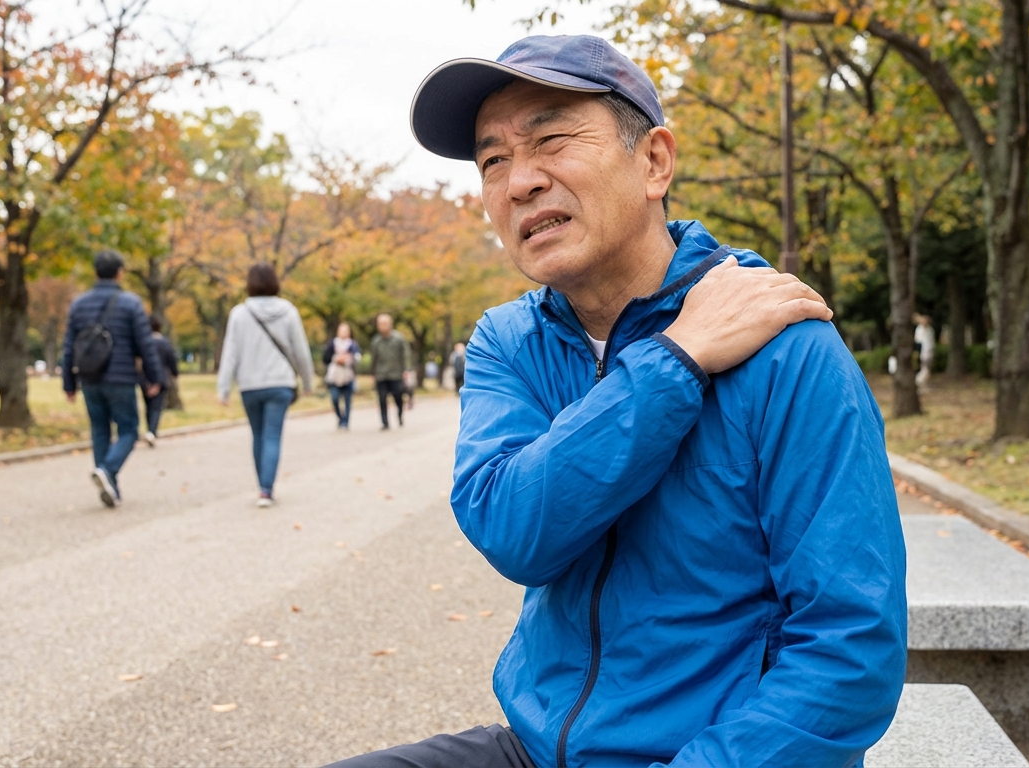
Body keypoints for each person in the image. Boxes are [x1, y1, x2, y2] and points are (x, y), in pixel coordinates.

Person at [327, 35, 906, 768]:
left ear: (654, 161)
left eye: (551, 141)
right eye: (492, 161)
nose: (519, 183)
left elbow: (850, 652)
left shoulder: (787, 348)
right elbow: (514, 533)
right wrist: (675, 361)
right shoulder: (509, 341)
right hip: (540, 751)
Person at [61, 250, 163, 508]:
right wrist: (154, 377)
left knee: (99, 429)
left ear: (95, 273)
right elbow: (145, 345)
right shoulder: (131, 303)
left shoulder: (79, 305)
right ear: (120, 273)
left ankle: (109, 486)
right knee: (129, 429)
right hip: (121, 377)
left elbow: (69, 346)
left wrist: (69, 383)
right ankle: (107, 471)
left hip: (90, 378)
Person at [217, 264, 315, 507]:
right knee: (272, 435)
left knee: (258, 434)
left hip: (250, 384)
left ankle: (262, 485)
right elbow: (301, 351)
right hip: (280, 383)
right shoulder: (288, 311)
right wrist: (307, 381)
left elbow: (230, 353)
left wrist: (224, 388)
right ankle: (266, 490)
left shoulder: (239, 314)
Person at [368, 313, 413, 430]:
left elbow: (406, 354)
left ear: (390, 324)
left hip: (396, 374)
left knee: (398, 396)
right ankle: (385, 422)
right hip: (381, 374)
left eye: (384, 323)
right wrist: (372, 373)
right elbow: (373, 358)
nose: (382, 326)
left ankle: (400, 414)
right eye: (380, 324)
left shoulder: (399, 339)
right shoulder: (376, 341)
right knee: (382, 398)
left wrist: (406, 369)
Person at [142, 315, 180, 447]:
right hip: (161, 378)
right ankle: (152, 431)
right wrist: (175, 373)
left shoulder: (144, 342)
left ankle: (149, 430)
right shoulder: (164, 343)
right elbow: (171, 360)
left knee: (148, 406)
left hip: (145, 379)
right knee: (156, 408)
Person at [322, 322, 360, 430]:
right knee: (335, 398)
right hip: (334, 376)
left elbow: (357, 357)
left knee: (347, 401)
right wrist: (336, 358)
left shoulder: (352, 344)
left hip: (348, 376)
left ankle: (345, 423)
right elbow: (325, 358)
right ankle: (340, 417)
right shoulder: (332, 344)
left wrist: (348, 358)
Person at [913, 312, 936, 391]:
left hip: (929, 351)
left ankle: (924, 385)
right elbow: (918, 341)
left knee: (926, 369)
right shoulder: (919, 329)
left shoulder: (929, 329)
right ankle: (918, 383)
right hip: (924, 353)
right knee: (925, 370)